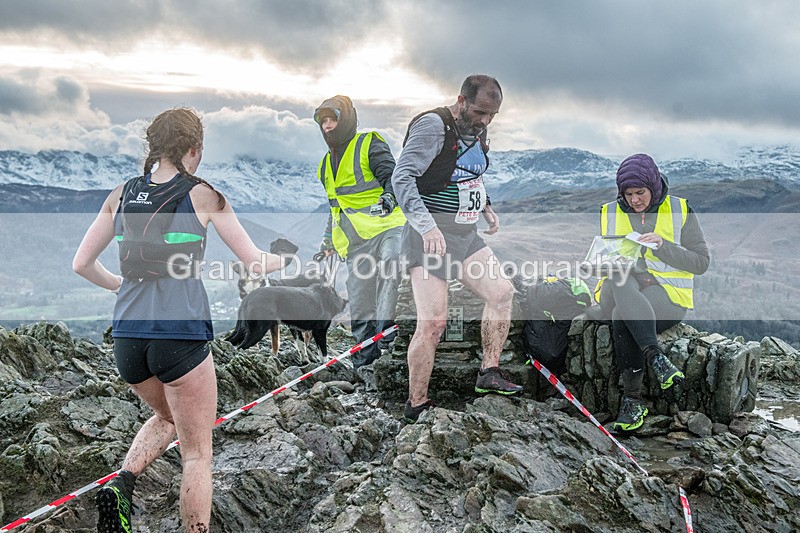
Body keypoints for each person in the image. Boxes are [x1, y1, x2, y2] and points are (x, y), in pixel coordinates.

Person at [73, 108, 289, 532]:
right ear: (194, 148)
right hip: (180, 335)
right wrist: (288, 259)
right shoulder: (204, 195)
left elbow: (81, 264)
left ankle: (122, 483)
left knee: (170, 418)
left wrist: (119, 286)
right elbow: (255, 262)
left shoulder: (121, 194)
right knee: (197, 454)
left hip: (128, 337)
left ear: (153, 146)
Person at [392, 74, 522, 423]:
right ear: (461, 101)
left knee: (502, 293)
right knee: (433, 323)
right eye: (480, 112)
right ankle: (417, 404)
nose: (486, 121)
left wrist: (486, 206)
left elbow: (470, 173)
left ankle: (489, 372)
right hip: (430, 235)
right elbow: (402, 178)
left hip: (465, 234)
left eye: (492, 115)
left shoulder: (477, 129)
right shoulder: (433, 126)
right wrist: (427, 226)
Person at [595, 153, 710, 432]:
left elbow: (701, 263)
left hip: (666, 296)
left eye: (640, 192)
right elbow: (605, 256)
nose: (634, 200)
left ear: (654, 186)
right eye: (628, 194)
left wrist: (663, 246)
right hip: (618, 288)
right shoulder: (609, 212)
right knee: (619, 278)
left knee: (621, 316)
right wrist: (600, 264)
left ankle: (633, 401)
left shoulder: (680, 210)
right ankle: (656, 357)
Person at [313, 95, 406, 368]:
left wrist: (389, 197)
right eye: (323, 121)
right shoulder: (324, 165)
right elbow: (336, 207)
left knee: (391, 262)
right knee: (360, 300)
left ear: (346, 119)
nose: (327, 126)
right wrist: (328, 240)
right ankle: (364, 364)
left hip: (388, 227)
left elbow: (393, 178)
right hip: (355, 241)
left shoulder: (369, 143)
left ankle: (388, 335)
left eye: (332, 119)